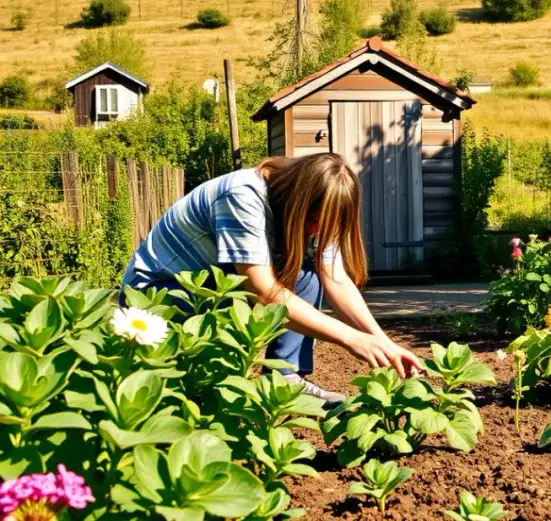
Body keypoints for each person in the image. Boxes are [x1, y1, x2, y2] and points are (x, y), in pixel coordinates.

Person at [122, 153, 422, 405]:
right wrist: (350, 338)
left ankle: (285, 376)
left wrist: (383, 343)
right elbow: (262, 290)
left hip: (212, 288)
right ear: (298, 200)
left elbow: (335, 278)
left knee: (307, 275)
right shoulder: (243, 196)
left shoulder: (317, 206)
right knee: (273, 286)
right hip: (159, 293)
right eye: (315, 221)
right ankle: (204, 389)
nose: (318, 231)